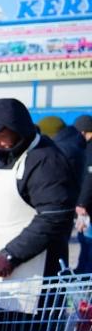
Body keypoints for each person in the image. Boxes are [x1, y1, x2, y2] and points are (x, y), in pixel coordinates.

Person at [0, 99, 74, 283]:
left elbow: (54, 216)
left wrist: (12, 255)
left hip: (33, 273)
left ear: (17, 128)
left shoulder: (45, 160)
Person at [73, 114, 92, 274]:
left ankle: (85, 273)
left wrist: (82, 203)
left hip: (89, 205)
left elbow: (90, 176)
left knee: (87, 239)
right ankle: (83, 269)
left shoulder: (90, 149)